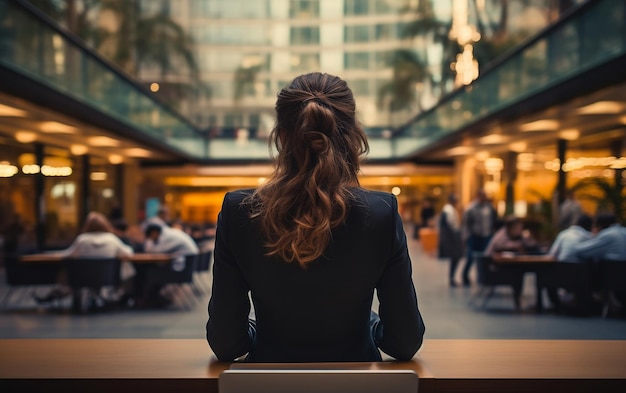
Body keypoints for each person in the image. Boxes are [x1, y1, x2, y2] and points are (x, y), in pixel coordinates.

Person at [206, 72, 425, 363]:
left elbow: (226, 343)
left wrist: (261, 333)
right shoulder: (381, 212)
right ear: (352, 134)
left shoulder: (240, 210)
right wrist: (370, 325)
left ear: (281, 136)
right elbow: (404, 342)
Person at [34, 212, 135, 304]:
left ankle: (55, 295)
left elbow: (68, 255)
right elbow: (129, 253)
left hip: (83, 279)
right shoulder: (112, 239)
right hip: (107, 278)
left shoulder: (82, 240)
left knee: (65, 272)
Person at [461, 189, 498, 286]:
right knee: (470, 257)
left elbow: (494, 220)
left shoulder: (489, 207)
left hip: (486, 236)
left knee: (485, 257)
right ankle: (465, 276)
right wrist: (467, 237)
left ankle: (483, 278)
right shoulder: (471, 208)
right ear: (478, 196)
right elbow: (466, 224)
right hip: (474, 236)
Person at [437, 194, 463, 287]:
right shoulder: (448, 210)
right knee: (455, 257)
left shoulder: (450, 210)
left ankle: (452, 278)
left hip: (452, 237)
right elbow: (450, 225)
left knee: (455, 258)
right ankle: (451, 278)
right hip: (451, 238)